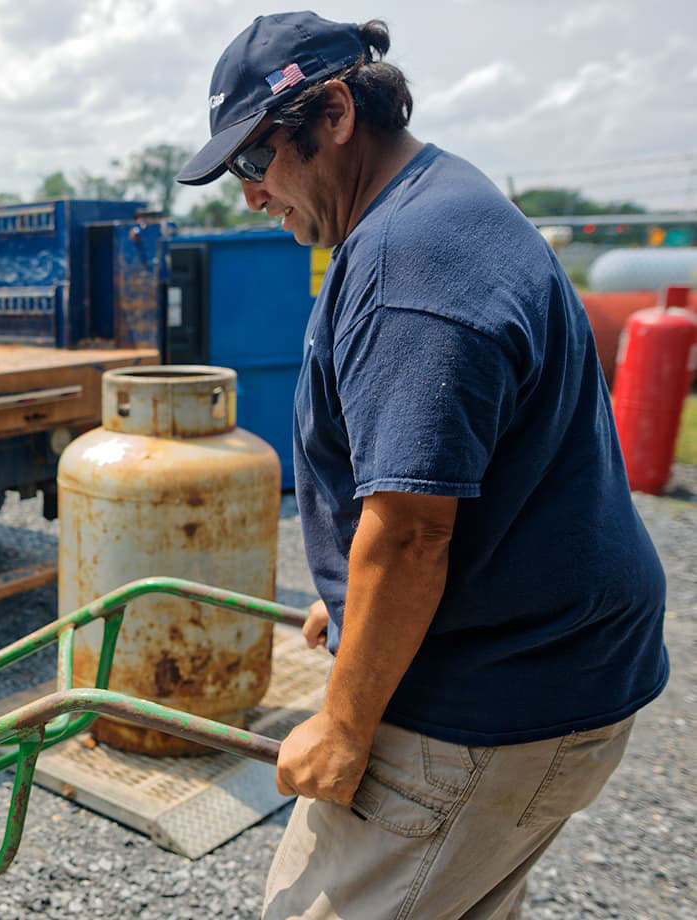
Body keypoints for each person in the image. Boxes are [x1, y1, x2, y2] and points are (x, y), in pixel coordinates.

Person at [176, 12, 668, 919]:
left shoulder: (412, 263)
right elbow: (446, 476)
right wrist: (356, 601)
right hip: (553, 657)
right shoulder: (435, 202)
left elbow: (409, 534)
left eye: (256, 161)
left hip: (496, 689)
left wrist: (344, 722)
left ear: (333, 114)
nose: (249, 195)